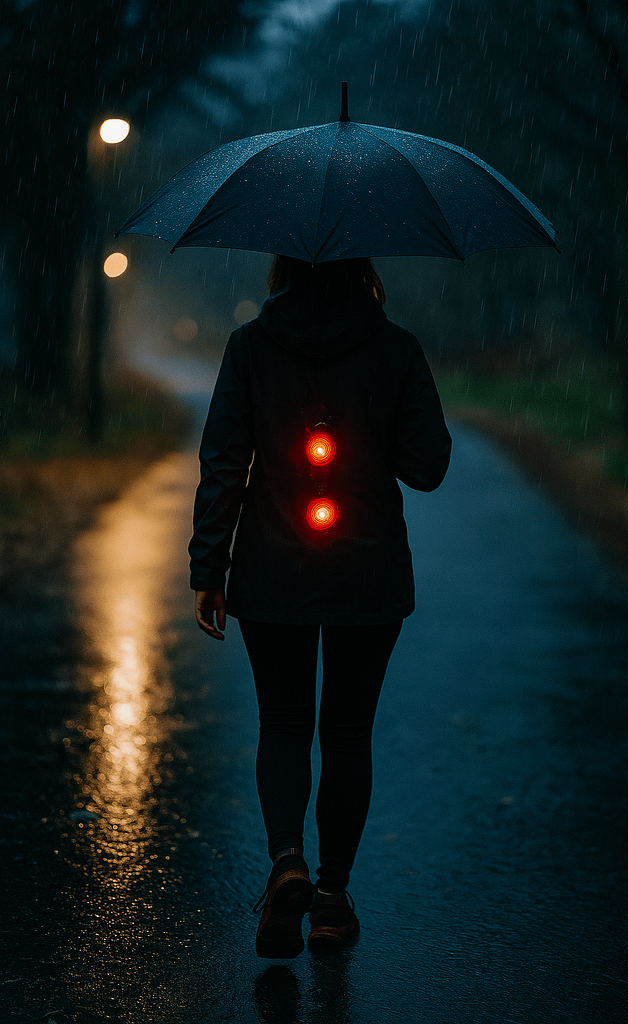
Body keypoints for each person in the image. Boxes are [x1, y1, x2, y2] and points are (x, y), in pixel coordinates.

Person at [190, 255, 451, 958]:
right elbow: (427, 468)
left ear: (283, 264)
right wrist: (374, 421)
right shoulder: (395, 348)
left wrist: (207, 566)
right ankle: (331, 901)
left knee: (281, 724)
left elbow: (224, 460)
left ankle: (286, 865)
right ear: (360, 266)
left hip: (272, 569)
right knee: (346, 734)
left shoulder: (250, 346)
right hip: (367, 572)